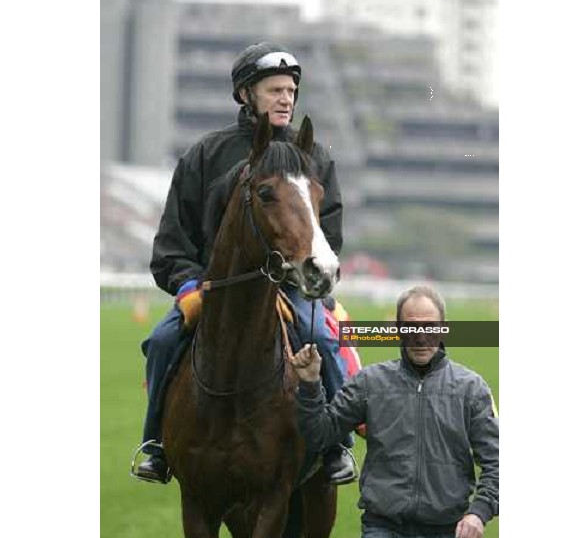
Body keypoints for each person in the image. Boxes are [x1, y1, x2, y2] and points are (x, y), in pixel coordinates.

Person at [134, 41, 357, 485]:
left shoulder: (315, 157)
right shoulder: (205, 154)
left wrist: (305, 274)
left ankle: (336, 447)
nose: (286, 99)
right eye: (275, 90)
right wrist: (188, 285)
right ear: (245, 95)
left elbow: (327, 235)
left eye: (291, 91)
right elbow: (171, 244)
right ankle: (156, 445)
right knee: (161, 341)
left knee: (320, 336)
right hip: (209, 290)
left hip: (291, 287)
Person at [292, 285, 499, 538]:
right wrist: (311, 385)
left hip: (448, 529)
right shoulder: (369, 383)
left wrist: (479, 512)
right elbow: (319, 435)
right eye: (411, 327)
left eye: (429, 327)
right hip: (383, 527)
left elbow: (498, 461)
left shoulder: (472, 389)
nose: (420, 338)